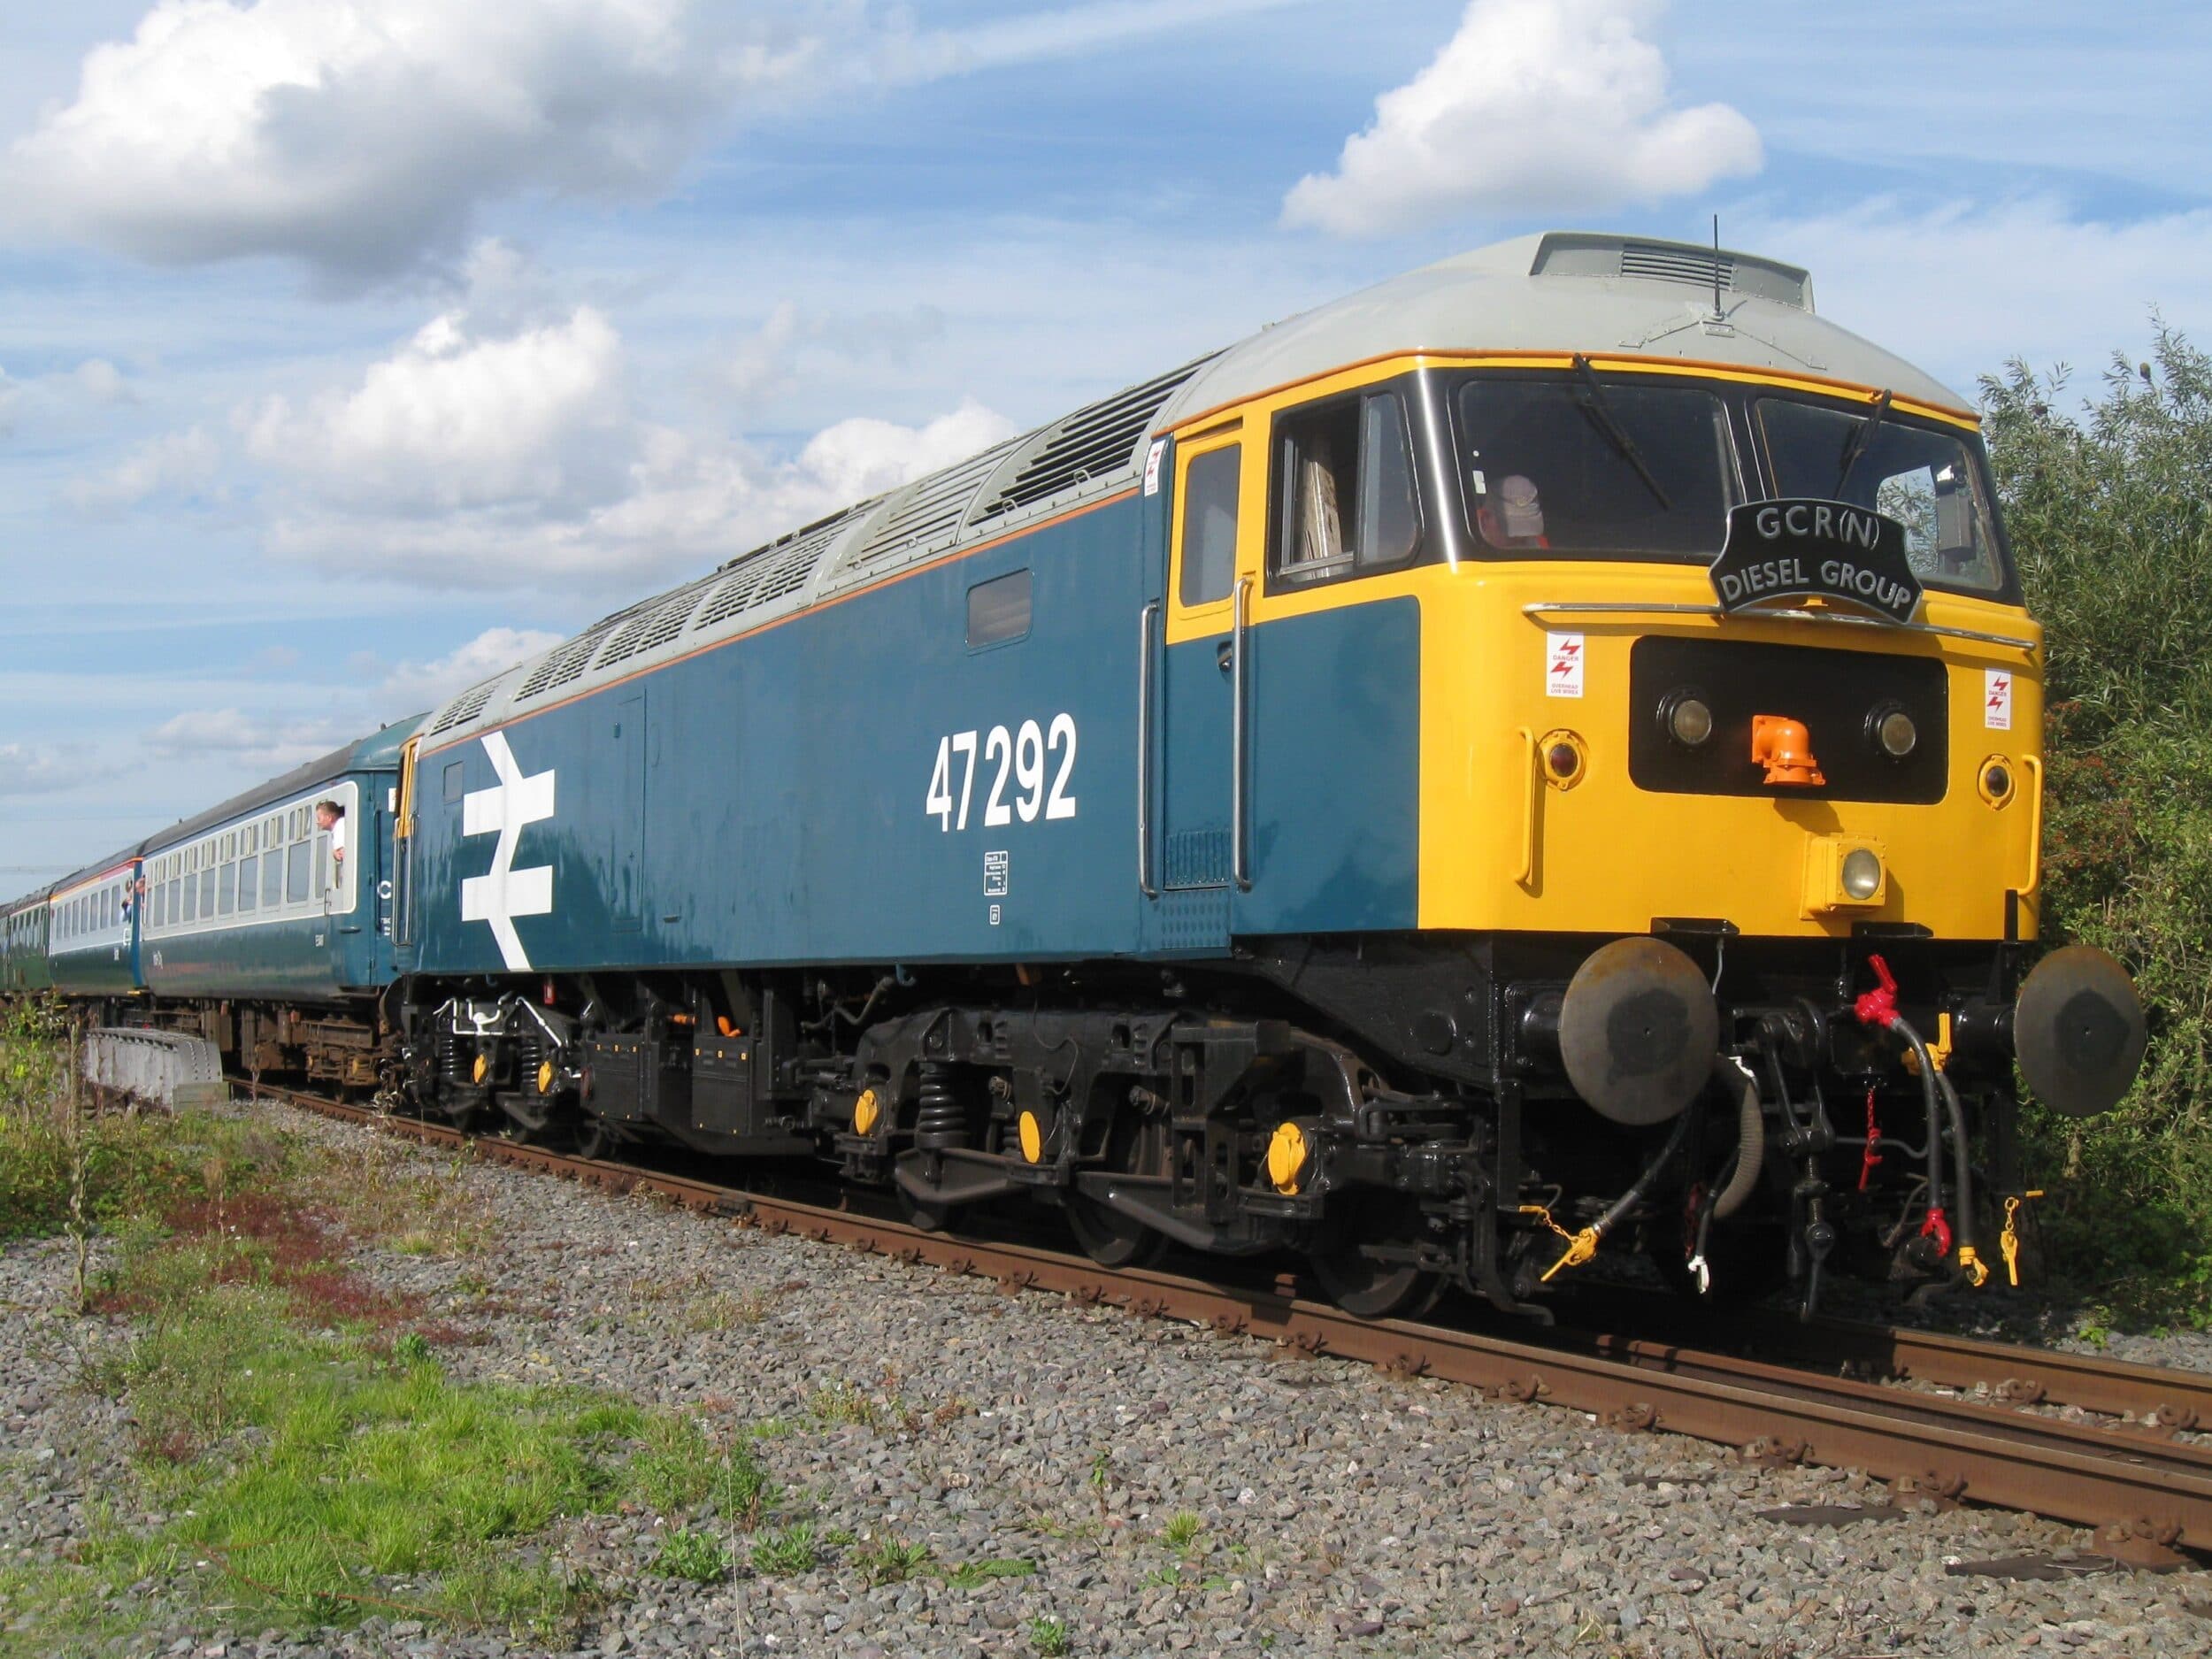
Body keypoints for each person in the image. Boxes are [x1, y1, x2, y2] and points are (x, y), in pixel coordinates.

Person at [1475, 472, 1550, 550]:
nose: (1520, 536)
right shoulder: (1464, 544)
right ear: (1485, 519)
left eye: (1525, 525)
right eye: (1514, 527)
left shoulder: (1538, 544)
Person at [314, 799, 347, 872]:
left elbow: (341, 854)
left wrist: (335, 853)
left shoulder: (340, 826)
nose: (317, 822)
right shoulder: (340, 826)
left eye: (319, 818)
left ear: (329, 818)